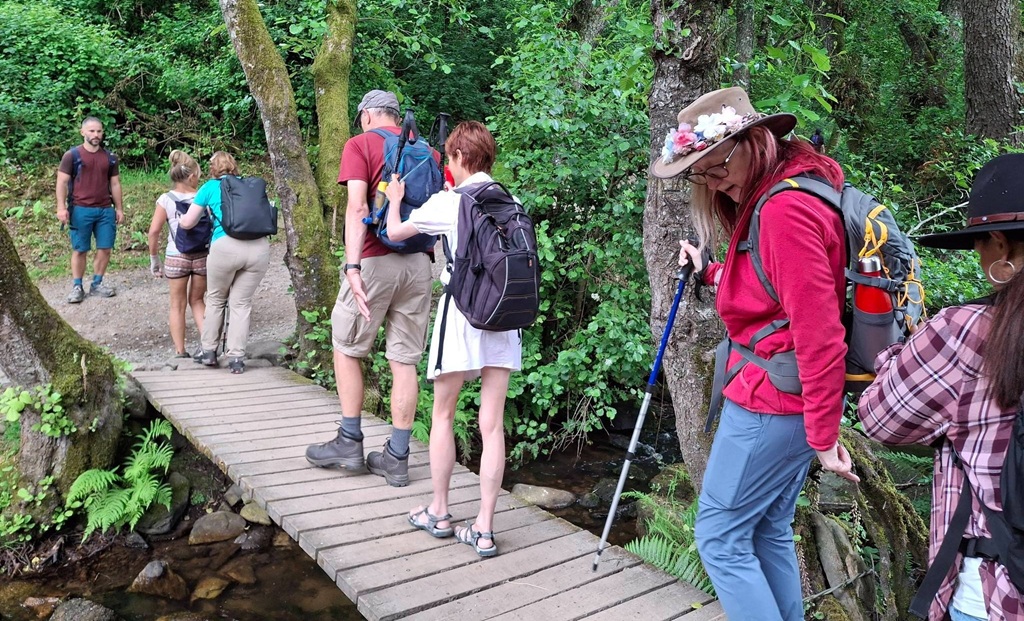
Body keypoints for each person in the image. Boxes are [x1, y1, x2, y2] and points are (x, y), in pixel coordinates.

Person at [656, 86, 859, 621]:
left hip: (774, 401)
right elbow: (772, 292)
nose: (709, 180)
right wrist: (712, 272)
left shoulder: (785, 211)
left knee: (719, 537)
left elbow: (820, 334)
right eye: (698, 174)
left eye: (715, 165)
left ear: (754, 140)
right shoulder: (779, 196)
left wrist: (824, 434)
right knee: (767, 528)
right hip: (784, 396)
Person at [857, 153, 1024, 621]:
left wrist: (898, 354)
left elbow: (880, 419)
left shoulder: (967, 329)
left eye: (979, 244)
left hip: (996, 590)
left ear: (998, 243)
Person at [382, 120, 521, 557]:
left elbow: (396, 232)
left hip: (462, 314)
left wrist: (394, 200)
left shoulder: (451, 202)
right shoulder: (511, 201)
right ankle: (483, 527)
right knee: (492, 423)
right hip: (504, 314)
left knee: (442, 414)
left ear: (460, 157)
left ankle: (440, 512)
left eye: (449, 155)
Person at [304, 90, 435, 486]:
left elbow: (358, 207)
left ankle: (349, 441)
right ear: (396, 117)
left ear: (366, 116)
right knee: (404, 361)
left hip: (376, 259)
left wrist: (352, 265)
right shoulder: (427, 150)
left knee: (346, 347)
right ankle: (397, 456)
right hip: (419, 263)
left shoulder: (359, 144)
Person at [177, 151, 269, 374]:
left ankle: (209, 351)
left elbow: (189, 222)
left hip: (225, 247)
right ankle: (236, 358)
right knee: (241, 303)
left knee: (217, 298)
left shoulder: (210, 187)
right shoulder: (250, 187)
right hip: (259, 248)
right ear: (234, 167)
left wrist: (180, 219)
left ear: (213, 169)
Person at [55, 117, 124, 304]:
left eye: (99, 131)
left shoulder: (110, 158)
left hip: (104, 210)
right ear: (83, 132)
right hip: (80, 209)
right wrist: (61, 208)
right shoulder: (72, 155)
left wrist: (119, 208)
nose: (96, 135)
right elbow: (61, 182)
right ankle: (77, 286)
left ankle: (97, 283)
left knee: (106, 248)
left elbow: (115, 184)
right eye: (92, 131)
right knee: (80, 250)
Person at [146, 149, 207, 358]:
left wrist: (154, 258)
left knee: (177, 304)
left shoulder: (166, 199)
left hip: (176, 255)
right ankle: (209, 346)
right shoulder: (203, 196)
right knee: (198, 301)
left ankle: (181, 351)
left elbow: (154, 231)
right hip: (202, 255)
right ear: (191, 176)